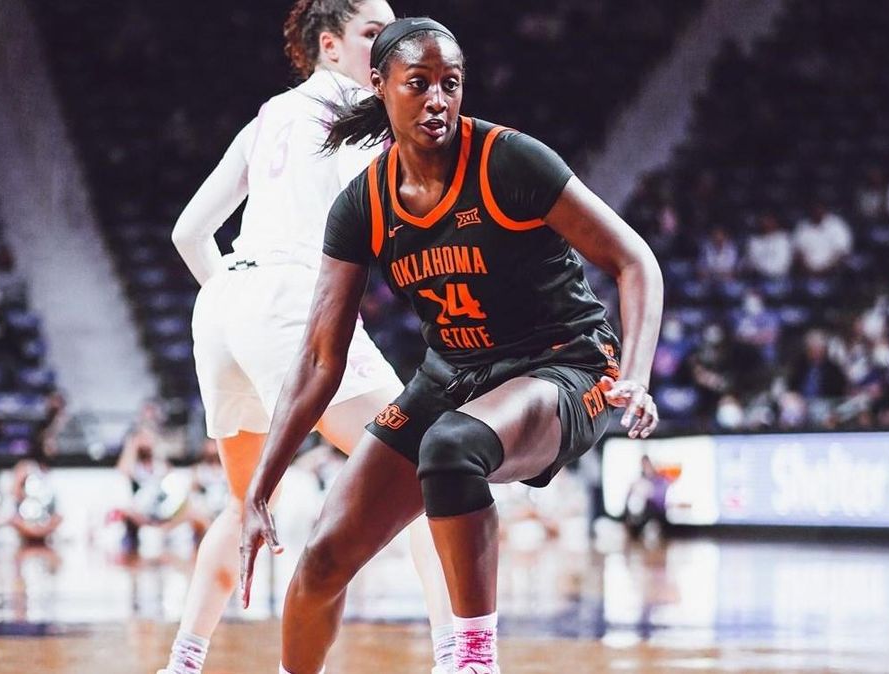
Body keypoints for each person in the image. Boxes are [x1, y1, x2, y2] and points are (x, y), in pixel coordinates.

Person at [239, 18, 663, 674]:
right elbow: (322, 357)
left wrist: (634, 375)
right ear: (378, 86)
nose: (438, 99)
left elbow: (635, 262)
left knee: (450, 447)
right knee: (321, 559)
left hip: (563, 367)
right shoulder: (363, 204)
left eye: (452, 84)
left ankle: (472, 660)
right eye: (420, 84)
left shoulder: (509, 160)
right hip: (454, 375)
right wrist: (260, 487)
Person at [163, 3, 455, 674]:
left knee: (247, 503)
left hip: (225, 302)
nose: (394, 44)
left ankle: (183, 663)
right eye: (373, 35)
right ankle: (459, 658)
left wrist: (239, 300)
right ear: (330, 46)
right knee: (433, 465)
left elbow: (187, 234)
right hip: (289, 300)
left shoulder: (267, 117)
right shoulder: (365, 107)